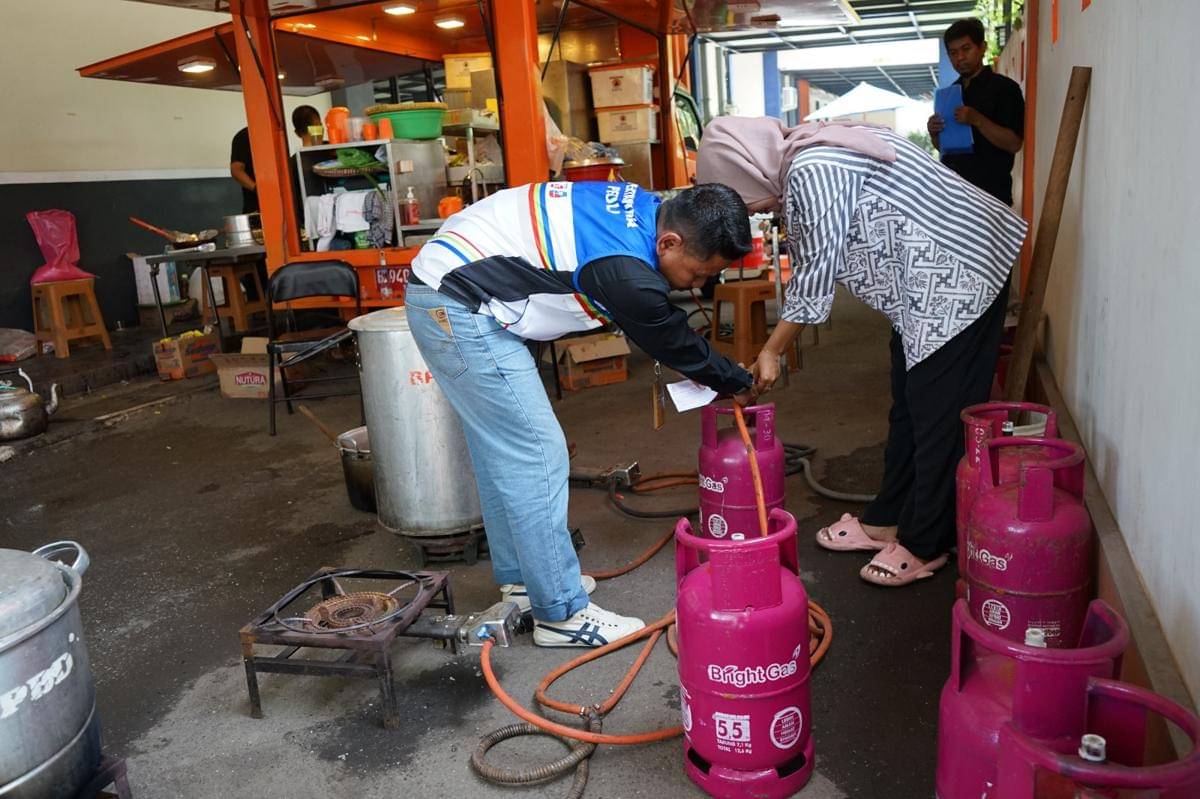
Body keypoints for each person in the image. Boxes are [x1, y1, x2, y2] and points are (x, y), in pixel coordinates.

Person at [407, 181, 755, 646]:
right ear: (669, 242)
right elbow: (674, 341)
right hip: (458, 303)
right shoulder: (626, 270)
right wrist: (736, 381)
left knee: (505, 452)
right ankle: (561, 615)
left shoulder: (654, 209)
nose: (697, 285)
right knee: (536, 452)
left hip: (454, 287)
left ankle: (526, 583)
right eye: (696, 274)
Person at [696, 116, 1027, 588]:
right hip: (924, 287)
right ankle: (887, 517)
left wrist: (771, 351)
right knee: (909, 404)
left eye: (738, 197)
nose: (748, 211)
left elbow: (816, 271)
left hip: (962, 270)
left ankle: (926, 541)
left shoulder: (812, 166)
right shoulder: (803, 158)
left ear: (744, 171)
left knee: (936, 413)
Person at [927, 17, 1025, 205]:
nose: (960, 58)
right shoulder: (948, 94)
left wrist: (978, 120)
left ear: (982, 48)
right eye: (953, 53)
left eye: (966, 49)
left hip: (991, 198)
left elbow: (1014, 144)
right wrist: (934, 133)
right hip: (952, 197)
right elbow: (946, 149)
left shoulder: (1005, 89)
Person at [229, 105, 322, 213]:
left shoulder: (277, 136)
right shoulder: (245, 136)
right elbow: (236, 170)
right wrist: (258, 190)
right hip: (258, 207)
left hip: (283, 203)